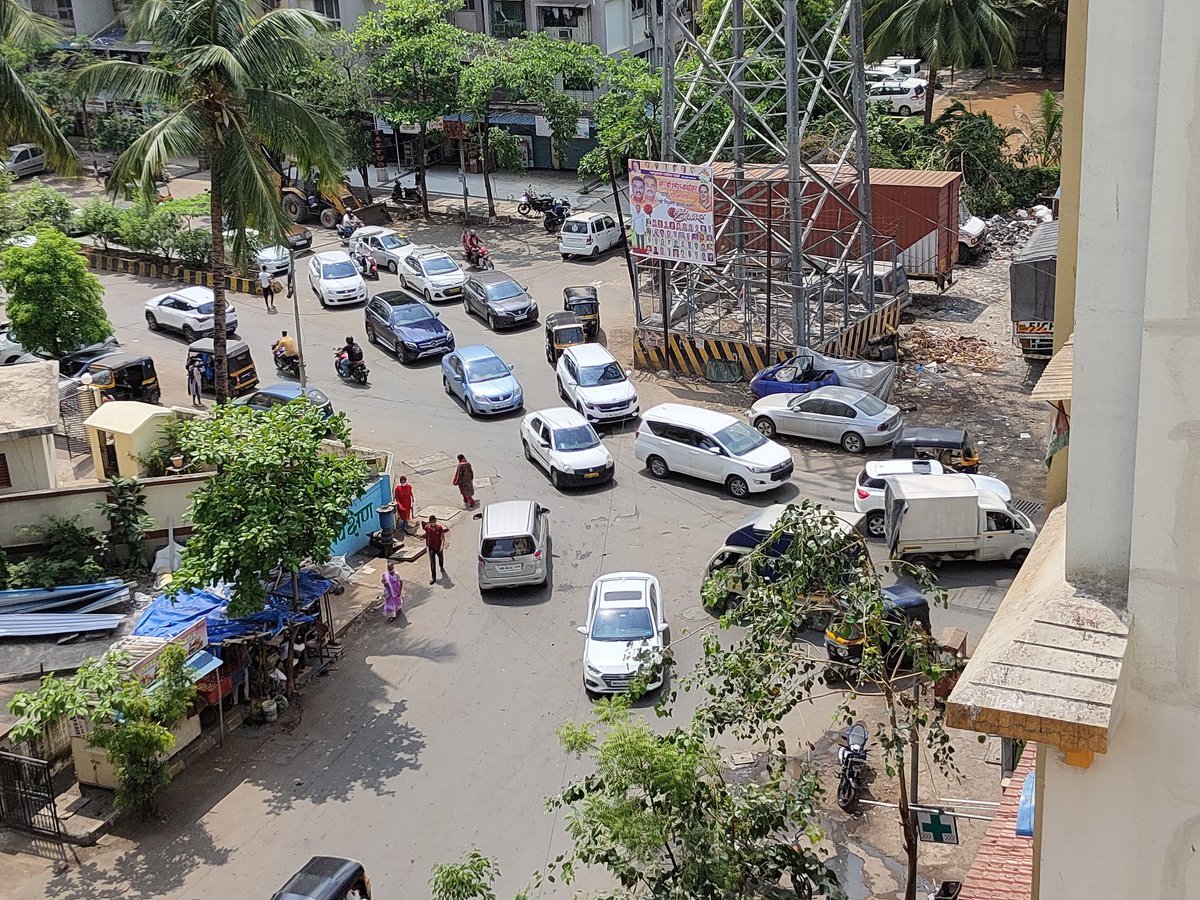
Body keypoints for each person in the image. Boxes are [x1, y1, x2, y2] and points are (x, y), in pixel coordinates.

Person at [422, 515, 447, 584]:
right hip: (431, 547)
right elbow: (426, 535)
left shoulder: (439, 528)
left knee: (440, 558)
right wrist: (427, 544)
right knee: (432, 563)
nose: (433, 523)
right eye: (432, 522)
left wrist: (442, 546)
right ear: (429, 522)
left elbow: (442, 537)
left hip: (439, 547)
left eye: (434, 522)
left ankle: (441, 567)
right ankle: (434, 578)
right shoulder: (427, 527)